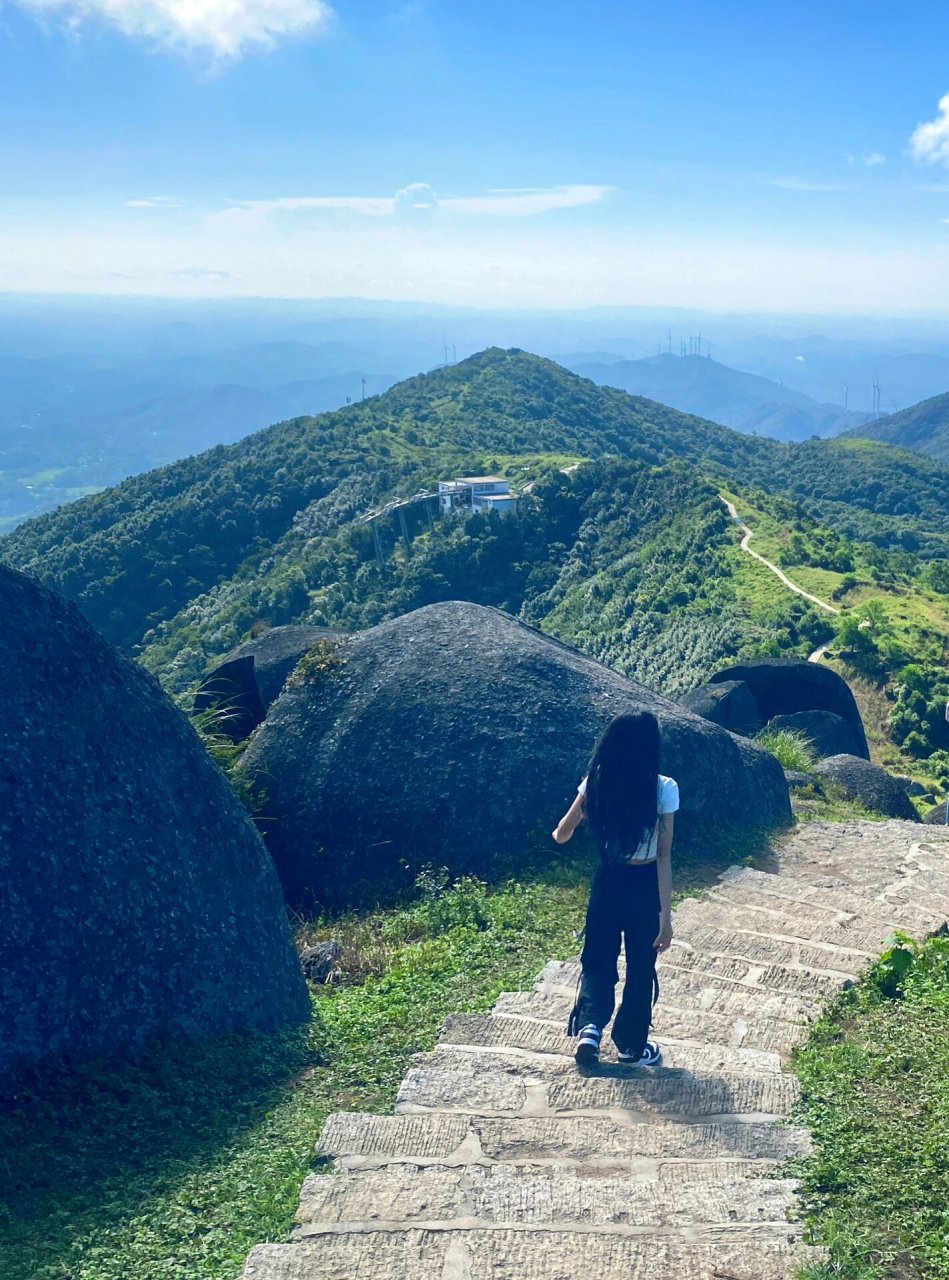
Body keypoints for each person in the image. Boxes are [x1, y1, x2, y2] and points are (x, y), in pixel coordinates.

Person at [552, 711, 678, 1068]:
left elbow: (562, 833)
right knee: (642, 964)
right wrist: (665, 918)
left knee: (598, 955)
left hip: (607, 880)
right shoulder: (663, 788)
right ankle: (631, 1046)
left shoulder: (596, 782)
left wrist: (575, 824)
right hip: (645, 885)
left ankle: (590, 1028)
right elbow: (665, 856)